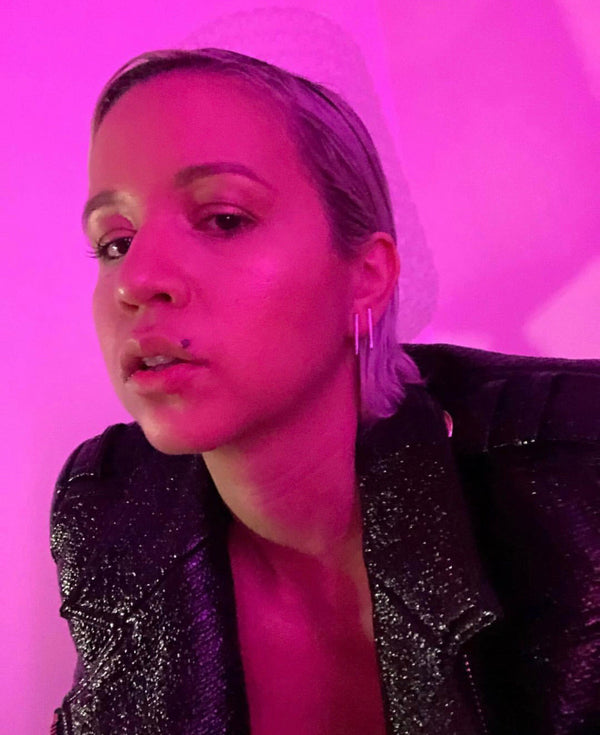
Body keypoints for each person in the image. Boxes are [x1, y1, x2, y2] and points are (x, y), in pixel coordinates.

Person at [49, 48, 600, 735]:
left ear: (366, 276)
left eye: (223, 218)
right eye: (115, 242)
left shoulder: (577, 470)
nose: (136, 281)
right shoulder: (109, 505)